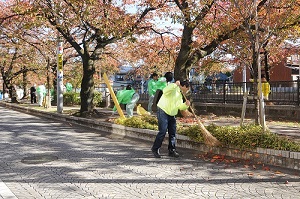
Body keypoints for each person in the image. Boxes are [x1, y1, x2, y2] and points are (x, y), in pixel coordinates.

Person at [151, 72, 190, 158]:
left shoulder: (180, 94)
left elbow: (179, 106)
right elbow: (165, 91)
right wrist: (175, 84)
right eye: (187, 89)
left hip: (172, 113)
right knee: (163, 131)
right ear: (184, 86)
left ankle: (172, 150)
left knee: (173, 132)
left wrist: (185, 105)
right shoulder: (173, 87)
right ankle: (155, 149)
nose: (187, 91)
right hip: (163, 110)